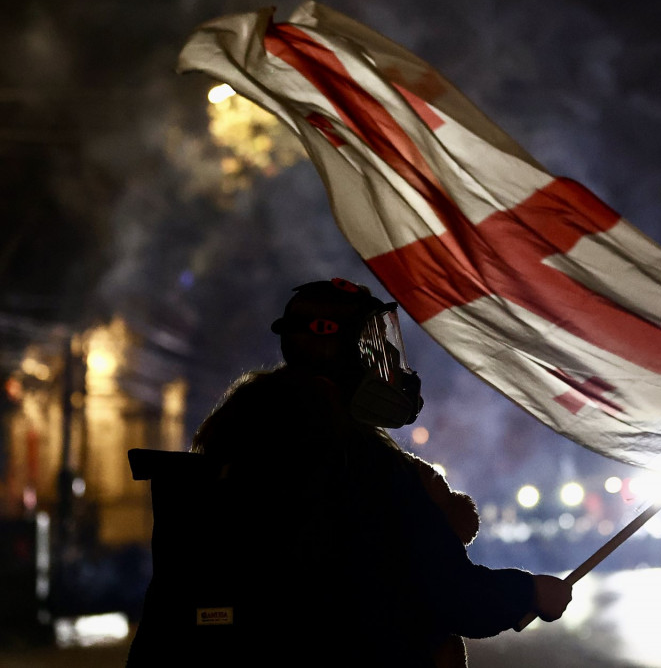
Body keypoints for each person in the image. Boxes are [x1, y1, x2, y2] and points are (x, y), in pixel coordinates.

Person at [126, 278, 572, 667]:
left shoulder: (232, 448)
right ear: (345, 353)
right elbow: (452, 594)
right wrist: (530, 593)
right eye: (374, 346)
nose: (387, 361)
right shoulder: (362, 464)